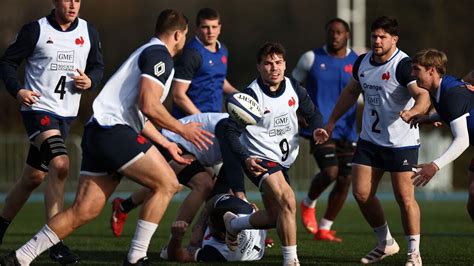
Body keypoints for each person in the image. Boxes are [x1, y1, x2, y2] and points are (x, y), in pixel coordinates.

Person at [0, 9, 214, 266]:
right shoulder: (160, 55)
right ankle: (136, 257)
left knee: (85, 210)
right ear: (178, 35)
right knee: (168, 183)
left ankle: (20, 257)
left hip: (98, 131)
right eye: (185, 36)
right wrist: (183, 130)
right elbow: (149, 105)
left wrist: (167, 143)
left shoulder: (147, 51)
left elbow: (138, 114)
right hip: (113, 132)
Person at [0, 0, 104, 264]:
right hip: (39, 111)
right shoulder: (36, 30)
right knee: (60, 164)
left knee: (33, 177)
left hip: (66, 116)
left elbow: (98, 67)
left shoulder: (89, 32)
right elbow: (7, 63)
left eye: (77, 0)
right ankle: (56, 243)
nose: (73, 5)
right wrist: (19, 91)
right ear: (55, 2)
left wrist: (91, 80)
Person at [325, 16, 430, 265]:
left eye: (383, 37)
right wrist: (330, 122)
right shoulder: (362, 62)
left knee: (404, 198)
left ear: (394, 39)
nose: (377, 41)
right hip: (370, 141)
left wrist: (415, 111)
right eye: (374, 36)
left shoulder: (404, 65)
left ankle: (414, 253)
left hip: (401, 143)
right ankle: (386, 242)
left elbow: (423, 96)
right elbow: (351, 92)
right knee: (361, 193)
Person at [220, 42, 328, 266]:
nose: (274, 68)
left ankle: (233, 224)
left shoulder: (293, 87)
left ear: (285, 65)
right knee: (289, 200)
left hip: (283, 162)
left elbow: (313, 113)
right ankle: (291, 261)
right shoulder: (252, 96)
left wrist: (318, 127)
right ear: (259, 67)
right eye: (268, 64)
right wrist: (245, 159)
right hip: (260, 159)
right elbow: (230, 131)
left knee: (275, 216)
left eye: (278, 62)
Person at [110, 112, 228, 243]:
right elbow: (173, 97)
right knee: (202, 185)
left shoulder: (241, 132)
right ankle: (175, 241)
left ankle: (124, 206)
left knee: (180, 186)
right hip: (172, 142)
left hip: (192, 150)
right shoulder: (233, 129)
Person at [292, 18, 358, 242]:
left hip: (348, 130)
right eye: (331, 31)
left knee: (345, 179)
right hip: (319, 127)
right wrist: (298, 113)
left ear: (347, 34)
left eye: (339, 32)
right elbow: (292, 87)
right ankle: (308, 202)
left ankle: (324, 228)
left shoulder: (357, 61)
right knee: (330, 172)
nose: (335, 35)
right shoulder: (311, 58)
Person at [410, 49, 474, 220]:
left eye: (416, 69)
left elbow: (462, 140)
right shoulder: (439, 89)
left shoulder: (452, 93)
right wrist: (430, 118)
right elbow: (455, 111)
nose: (412, 73)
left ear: (431, 70)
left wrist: (434, 166)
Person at [171, 7, 238, 119]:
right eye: (205, 27)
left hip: (215, 117)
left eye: (214, 27)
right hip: (191, 122)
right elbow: (178, 94)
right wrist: (201, 118)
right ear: (196, 29)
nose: (210, 32)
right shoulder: (191, 54)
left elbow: (220, 79)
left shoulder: (223, 50)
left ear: (219, 28)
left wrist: (241, 96)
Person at [164, 193, 267, 262]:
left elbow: (178, 256)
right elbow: (217, 198)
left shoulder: (218, 252)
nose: (207, 222)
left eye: (210, 223)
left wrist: (176, 237)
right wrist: (199, 227)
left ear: (222, 234)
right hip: (257, 245)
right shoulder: (244, 211)